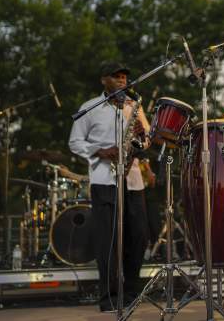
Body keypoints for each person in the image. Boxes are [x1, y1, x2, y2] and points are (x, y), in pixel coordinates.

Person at [68, 61, 151, 312]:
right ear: (104, 79)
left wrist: (141, 136)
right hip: (104, 179)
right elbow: (74, 142)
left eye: (125, 76)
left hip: (133, 179)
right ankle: (109, 298)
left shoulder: (134, 106)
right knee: (108, 240)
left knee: (138, 236)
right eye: (116, 76)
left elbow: (146, 141)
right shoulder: (89, 108)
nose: (122, 80)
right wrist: (99, 151)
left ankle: (132, 292)